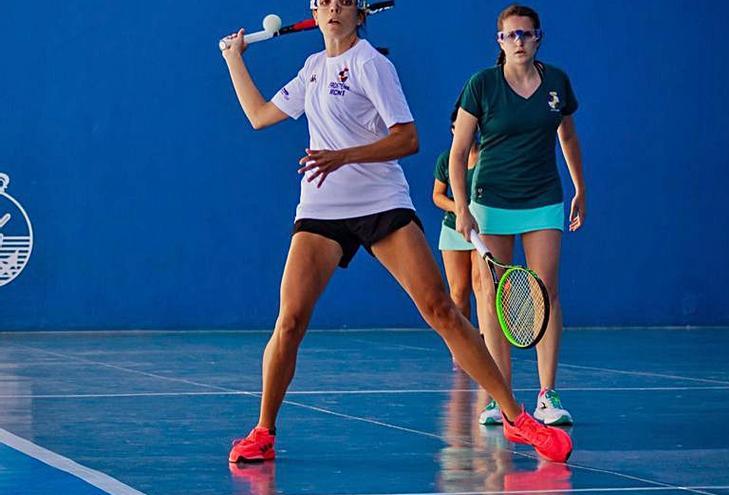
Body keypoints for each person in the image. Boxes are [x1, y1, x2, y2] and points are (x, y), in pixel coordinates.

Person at [219, 0, 572, 463]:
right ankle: (264, 432)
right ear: (314, 10)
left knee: (441, 310)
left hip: (381, 203)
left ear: (359, 14)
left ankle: (514, 417)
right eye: (324, 2)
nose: (333, 9)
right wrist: (234, 60)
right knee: (289, 320)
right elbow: (260, 115)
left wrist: (343, 155)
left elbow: (408, 138)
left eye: (343, 2)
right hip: (322, 206)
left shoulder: (372, 64)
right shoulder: (311, 69)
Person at [450, 4, 586, 426]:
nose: (519, 42)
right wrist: (461, 208)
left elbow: (567, 135)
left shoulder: (557, 82)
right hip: (490, 201)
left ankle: (547, 394)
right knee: (491, 297)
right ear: (500, 41)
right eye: (511, 35)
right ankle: (498, 396)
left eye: (527, 34)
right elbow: (458, 153)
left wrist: (580, 187)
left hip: (543, 197)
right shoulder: (482, 85)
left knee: (545, 290)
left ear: (538, 37)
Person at [433, 105, 481, 368]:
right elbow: (437, 196)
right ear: (453, 130)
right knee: (459, 291)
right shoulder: (446, 160)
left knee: (481, 285)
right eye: (458, 126)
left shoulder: (488, 158)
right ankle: (461, 347)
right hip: (453, 229)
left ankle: (484, 343)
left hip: (483, 231)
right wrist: (461, 210)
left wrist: (477, 214)